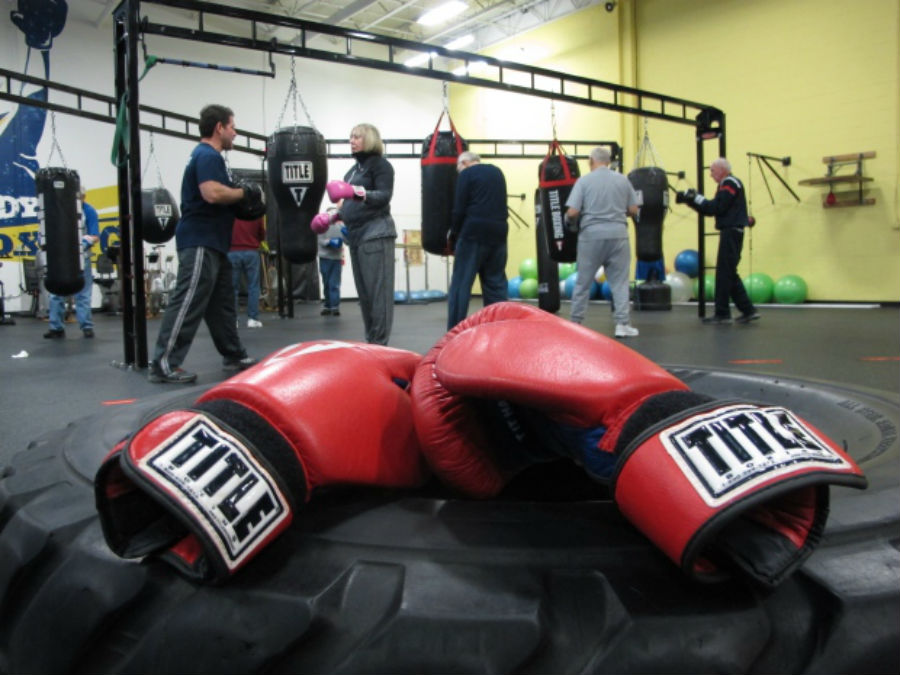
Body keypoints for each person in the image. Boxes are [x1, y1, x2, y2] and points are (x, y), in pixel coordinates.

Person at [148, 104, 260, 384]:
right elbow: (211, 193)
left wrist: (240, 199)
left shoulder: (210, 157)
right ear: (219, 127)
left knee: (222, 305)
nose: (235, 133)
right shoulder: (207, 155)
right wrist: (243, 193)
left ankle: (233, 354)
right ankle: (164, 364)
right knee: (188, 300)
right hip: (200, 241)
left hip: (216, 243)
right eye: (232, 127)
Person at [315, 123, 397, 344]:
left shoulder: (381, 166)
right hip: (356, 237)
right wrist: (331, 217)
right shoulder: (352, 172)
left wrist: (354, 191)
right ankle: (373, 345)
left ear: (370, 139)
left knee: (378, 296)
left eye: (357, 137)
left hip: (376, 234)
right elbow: (348, 206)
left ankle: (380, 347)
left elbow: (383, 196)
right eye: (351, 137)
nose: (352, 141)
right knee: (366, 297)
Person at [565, 147, 641, 337]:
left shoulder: (584, 181)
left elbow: (572, 212)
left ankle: (575, 323)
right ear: (609, 161)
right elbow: (634, 209)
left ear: (591, 161)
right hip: (618, 235)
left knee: (583, 282)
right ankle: (622, 324)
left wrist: (568, 221)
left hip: (591, 236)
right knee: (620, 282)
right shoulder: (623, 180)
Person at [676, 157, 759, 325]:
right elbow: (711, 209)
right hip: (732, 231)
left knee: (724, 273)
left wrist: (695, 199)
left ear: (722, 170)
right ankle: (748, 310)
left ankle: (722, 313)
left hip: (731, 232)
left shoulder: (729, 183)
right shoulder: (728, 184)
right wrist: (691, 200)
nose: (710, 174)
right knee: (729, 273)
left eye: (712, 171)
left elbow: (716, 207)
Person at [446, 151, 509, 330]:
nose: (458, 171)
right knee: (495, 284)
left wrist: (453, 235)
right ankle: (499, 329)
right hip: (499, 233)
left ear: (465, 163)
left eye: (458, 168)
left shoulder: (466, 174)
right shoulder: (497, 172)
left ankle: (454, 331)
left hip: (473, 234)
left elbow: (459, 209)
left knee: (461, 284)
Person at [44, 187, 99, 339]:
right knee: (56, 292)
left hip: (82, 257)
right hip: (60, 258)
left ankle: (87, 326)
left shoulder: (89, 211)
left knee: (83, 293)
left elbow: (95, 235)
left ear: (83, 197)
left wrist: (83, 243)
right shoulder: (58, 210)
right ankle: (56, 328)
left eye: (79, 197)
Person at [228, 215, 266, 328]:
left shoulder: (230, 211)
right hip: (251, 251)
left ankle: (232, 320)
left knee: (232, 288)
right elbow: (262, 233)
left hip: (232, 251)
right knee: (253, 286)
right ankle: (253, 318)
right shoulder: (256, 213)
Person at [317, 217, 344, 316]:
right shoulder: (322, 227)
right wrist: (330, 242)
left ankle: (335, 307)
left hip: (336, 258)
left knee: (334, 284)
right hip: (325, 258)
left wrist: (345, 236)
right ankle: (328, 306)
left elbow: (346, 239)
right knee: (326, 283)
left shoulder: (340, 226)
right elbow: (320, 240)